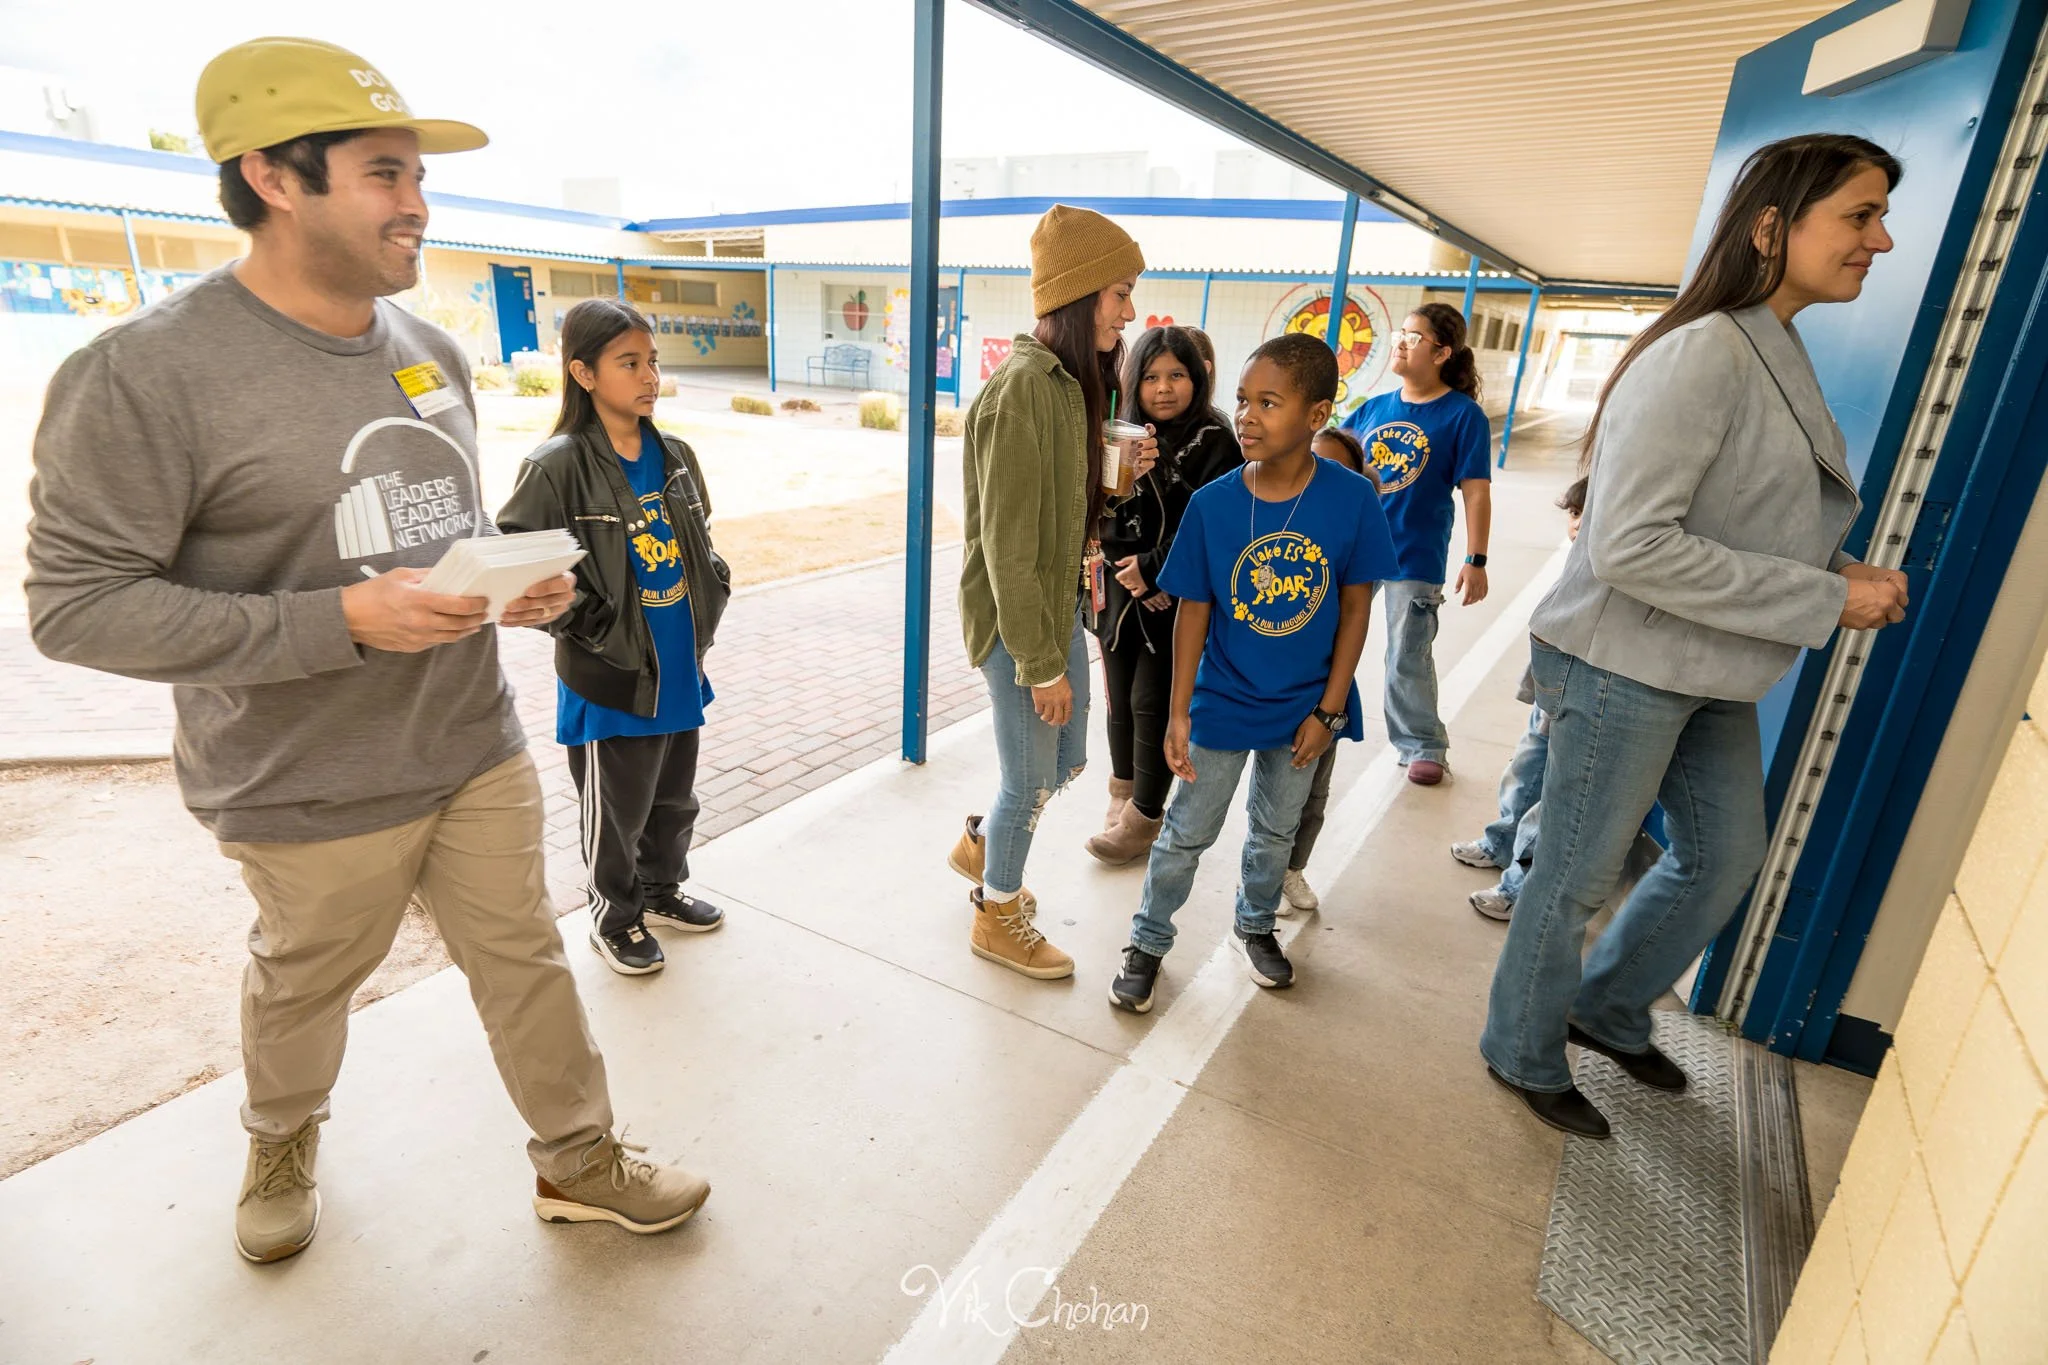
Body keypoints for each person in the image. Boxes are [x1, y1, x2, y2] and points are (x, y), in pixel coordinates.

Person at [24, 38, 711, 1263]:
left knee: (526, 961)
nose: (417, 204)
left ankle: (577, 1156)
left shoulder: (427, 351)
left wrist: (510, 585)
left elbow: (434, 529)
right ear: (272, 178)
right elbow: (75, 607)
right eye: (384, 174)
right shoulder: (141, 375)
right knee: (304, 984)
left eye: (417, 176)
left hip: (469, 744)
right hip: (301, 780)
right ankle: (280, 1136)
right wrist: (339, 621)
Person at [1481, 134, 1910, 1140]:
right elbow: (1632, 546)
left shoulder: (1767, 341)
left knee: (1722, 856)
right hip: (1622, 662)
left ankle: (1606, 1007)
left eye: (1879, 217)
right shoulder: (1701, 354)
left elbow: (1738, 513)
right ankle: (1520, 1046)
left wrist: (1839, 570)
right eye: (1858, 216)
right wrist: (1821, 598)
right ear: (1771, 226)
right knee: (1576, 874)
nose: (1880, 240)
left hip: (1702, 658)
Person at [1109, 335, 1397, 1012]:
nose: (1246, 415)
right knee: (1186, 832)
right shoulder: (1213, 503)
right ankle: (1147, 941)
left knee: (1274, 831)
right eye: (1242, 400)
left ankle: (1255, 925)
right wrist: (1178, 712)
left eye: (1269, 402)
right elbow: (1193, 612)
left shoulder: (1353, 499)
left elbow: (1357, 609)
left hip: (1303, 707)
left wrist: (1328, 711)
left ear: (1317, 413)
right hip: (1223, 699)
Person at [949, 204, 1155, 978]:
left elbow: (1058, 509)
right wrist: (1039, 665)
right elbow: (1006, 546)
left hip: (1058, 604)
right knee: (1031, 779)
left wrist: (1112, 482)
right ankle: (998, 914)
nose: (1129, 312)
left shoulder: (1068, 384)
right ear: (1079, 292)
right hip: (1019, 622)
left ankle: (983, 843)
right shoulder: (1021, 392)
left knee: (1066, 759)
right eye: (1120, 293)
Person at [497, 299, 729, 976]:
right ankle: (614, 916)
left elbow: (701, 539)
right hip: (612, 676)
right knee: (616, 812)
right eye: (629, 363)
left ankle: (661, 891)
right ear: (584, 373)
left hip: (679, 664)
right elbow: (521, 566)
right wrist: (591, 626)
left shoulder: (676, 455)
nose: (649, 376)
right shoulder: (556, 466)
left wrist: (714, 583)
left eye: (652, 361)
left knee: (673, 801)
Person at [1085, 325, 1243, 865]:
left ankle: (1145, 816)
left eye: (1177, 375)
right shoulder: (1121, 432)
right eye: (1151, 377)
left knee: (1150, 702)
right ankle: (1122, 793)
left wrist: (1155, 572)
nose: (1164, 388)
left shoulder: (1216, 441)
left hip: (1175, 597)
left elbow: (1212, 522)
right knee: (1118, 699)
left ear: (1197, 378)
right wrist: (1129, 570)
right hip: (1120, 589)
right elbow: (1102, 511)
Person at [1342, 303, 1493, 786]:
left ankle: (1423, 744)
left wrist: (1476, 558)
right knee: (1325, 639)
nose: (1400, 344)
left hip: (1415, 553)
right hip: (1356, 550)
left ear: (1442, 353)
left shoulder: (1463, 416)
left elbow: (1476, 491)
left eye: (1413, 337)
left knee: (1407, 654)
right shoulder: (1373, 409)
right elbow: (1331, 465)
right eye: (1399, 335)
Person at [1449, 477, 1586, 920]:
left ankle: (1518, 889)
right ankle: (1500, 842)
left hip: (1581, 692)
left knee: (1553, 796)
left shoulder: (1607, 569)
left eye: (1588, 515)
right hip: (1552, 686)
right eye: (1574, 514)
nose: (1578, 524)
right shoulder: (1577, 560)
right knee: (1526, 768)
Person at [1279, 425, 1382, 914]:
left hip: (1324, 691)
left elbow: (1352, 620)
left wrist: (1329, 708)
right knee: (1272, 800)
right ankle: (1260, 877)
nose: (1320, 476)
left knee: (1313, 791)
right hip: (1268, 686)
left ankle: (1291, 868)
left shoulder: (1354, 540)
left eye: (1336, 468)